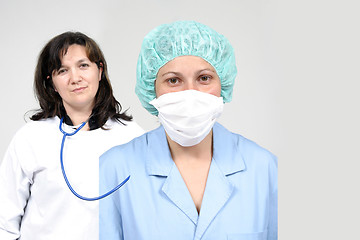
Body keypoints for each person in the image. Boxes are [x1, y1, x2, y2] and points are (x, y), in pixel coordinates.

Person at [99, 21, 277, 240]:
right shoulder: (114, 169)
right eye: (173, 80)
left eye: (204, 78)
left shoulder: (265, 168)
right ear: (152, 89)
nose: (190, 94)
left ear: (223, 84)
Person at [0, 32, 144, 240]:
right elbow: (4, 220)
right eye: (63, 70)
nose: (75, 78)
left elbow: (145, 212)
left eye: (83, 65)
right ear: (52, 83)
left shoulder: (131, 135)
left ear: (100, 71)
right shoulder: (30, 138)